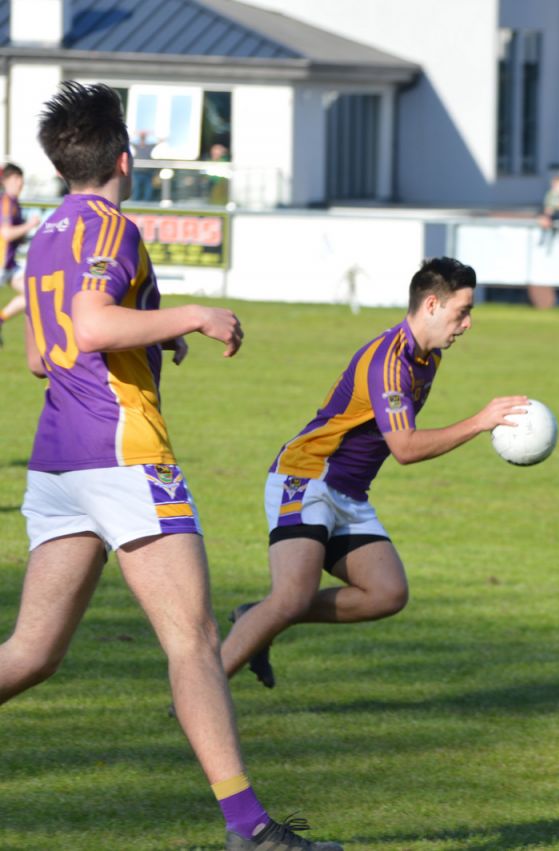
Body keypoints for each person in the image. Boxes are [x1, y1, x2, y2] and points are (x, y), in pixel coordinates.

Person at [0, 82, 340, 850]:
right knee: (192, 639)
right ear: (125, 157)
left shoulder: (47, 231)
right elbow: (89, 325)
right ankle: (249, 828)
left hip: (57, 461)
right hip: (124, 455)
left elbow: (38, 353)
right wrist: (190, 313)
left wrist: (145, 338)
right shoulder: (114, 226)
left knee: (30, 652)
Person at [219, 257, 527, 691]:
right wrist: (479, 422)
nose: (468, 324)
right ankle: (201, 692)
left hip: (347, 493)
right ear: (433, 305)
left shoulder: (428, 357)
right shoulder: (390, 362)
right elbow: (404, 448)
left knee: (387, 594)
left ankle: (259, 616)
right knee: (292, 595)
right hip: (305, 478)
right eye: (463, 311)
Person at [0, 163, 42, 346]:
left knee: (33, 293)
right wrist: (30, 225)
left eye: (21, 179)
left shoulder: (14, 202)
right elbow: (7, 233)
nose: (20, 183)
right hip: (1, 264)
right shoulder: (7, 202)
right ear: (6, 180)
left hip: (9, 265)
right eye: (16, 179)